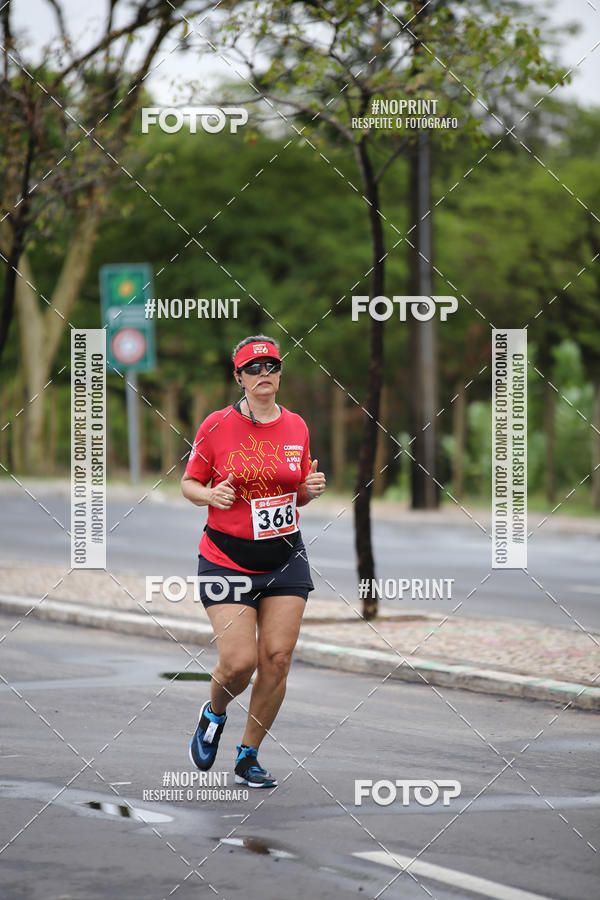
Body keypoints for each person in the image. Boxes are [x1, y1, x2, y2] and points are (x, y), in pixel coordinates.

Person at [181, 335, 326, 788]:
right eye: (254, 367)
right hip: (227, 557)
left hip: (284, 557)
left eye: (272, 366)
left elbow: (295, 487)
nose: (265, 374)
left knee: (277, 658)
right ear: (240, 377)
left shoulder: (297, 426)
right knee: (240, 662)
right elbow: (189, 483)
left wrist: (310, 489)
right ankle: (214, 713)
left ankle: (249, 754)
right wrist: (210, 494)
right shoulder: (217, 425)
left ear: (280, 374)